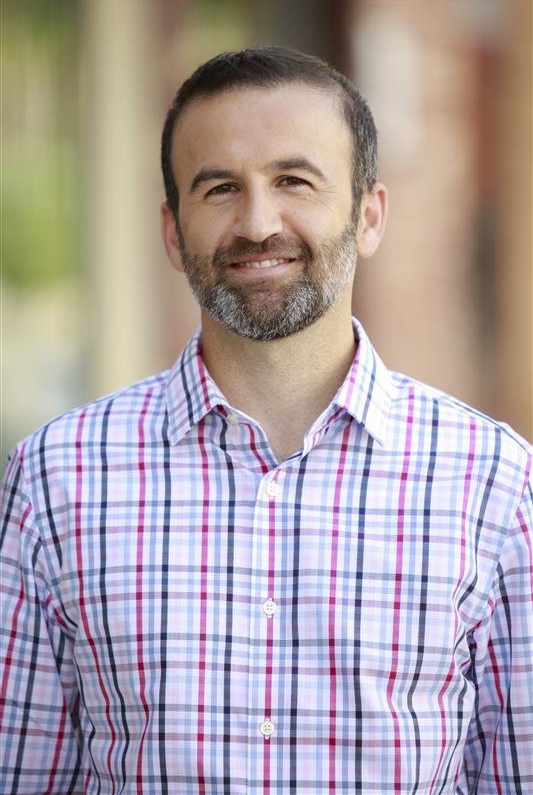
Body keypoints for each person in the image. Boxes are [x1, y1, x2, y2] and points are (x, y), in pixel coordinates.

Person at [1, 46, 531, 795]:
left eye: (294, 181)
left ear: (368, 215)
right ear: (171, 232)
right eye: (219, 188)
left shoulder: (493, 484)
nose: (256, 223)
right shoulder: (57, 478)